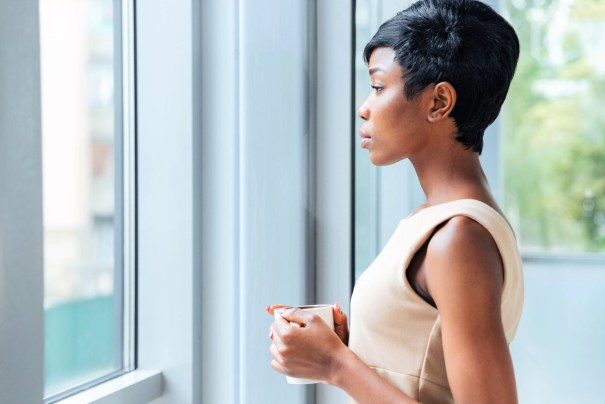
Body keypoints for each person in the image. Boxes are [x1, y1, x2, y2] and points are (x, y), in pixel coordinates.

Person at [267, 0, 524, 402]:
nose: (364, 108)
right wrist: (350, 346)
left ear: (439, 102)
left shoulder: (457, 237)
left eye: (378, 86)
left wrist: (336, 365)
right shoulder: (442, 220)